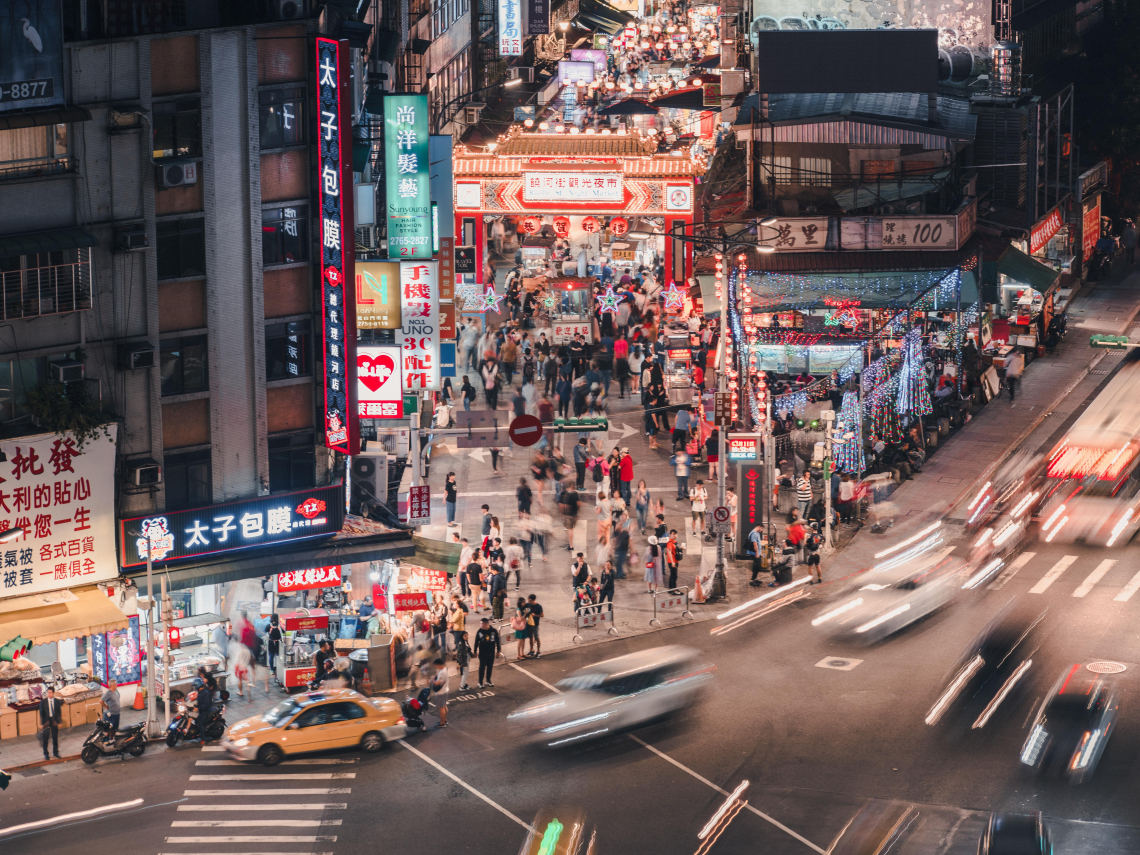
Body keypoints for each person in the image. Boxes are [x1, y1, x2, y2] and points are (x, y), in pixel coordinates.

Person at [474, 617, 502, 685]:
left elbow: (497, 641)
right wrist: (475, 651)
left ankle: (488, 680)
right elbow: (476, 641)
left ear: (487, 624)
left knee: (490, 667)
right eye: (480, 623)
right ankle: (480, 682)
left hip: (491, 652)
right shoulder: (479, 631)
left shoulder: (493, 631)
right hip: (482, 653)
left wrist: (498, 650)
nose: (481, 625)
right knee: (482, 667)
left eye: (482, 623)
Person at [38, 686, 62, 759]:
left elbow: (59, 712)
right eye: (48, 692)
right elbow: (41, 713)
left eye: (50, 693)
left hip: (54, 720)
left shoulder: (57, 701)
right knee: (46, 738)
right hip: (46, 721)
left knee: (55, 737)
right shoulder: (43, 702)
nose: (49, 694)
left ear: (53, 693)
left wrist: (59, 721)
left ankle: (56, 752)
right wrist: (43, 723)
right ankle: (46, 754)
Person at [430, 659, 449, 728]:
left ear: (439, 664)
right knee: (444, 706)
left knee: (441, 708)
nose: (436, 666)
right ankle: (445, 720)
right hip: (446, 690)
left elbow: (437, 683)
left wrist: (432, 679)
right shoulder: (446, 669)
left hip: (441, 692)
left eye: (436, 665)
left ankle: (442, 723)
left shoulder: (442, 673)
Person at [267, 614, 282, 681]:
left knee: (271, 656)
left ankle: (272, 670)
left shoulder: (269, 626)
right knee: (278, 657)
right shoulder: (280, 625)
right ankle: (279, 669)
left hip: (271, 643)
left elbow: (266, 631)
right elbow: (283, 632)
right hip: (278, 643)